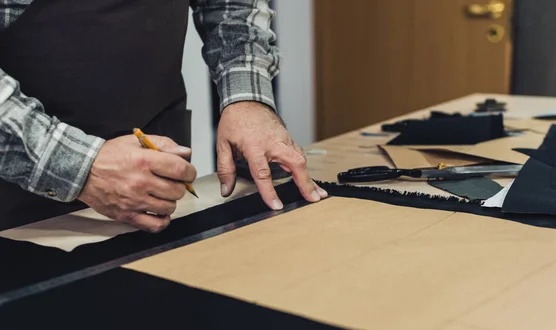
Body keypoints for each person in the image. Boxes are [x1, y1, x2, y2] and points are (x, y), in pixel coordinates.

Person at [0, 0, 327, 232]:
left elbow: (231, 5)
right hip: (16, 189)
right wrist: (78, 167)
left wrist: (247, 97)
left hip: (156, 165)